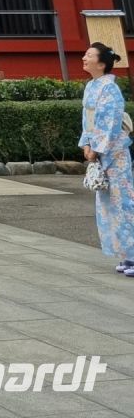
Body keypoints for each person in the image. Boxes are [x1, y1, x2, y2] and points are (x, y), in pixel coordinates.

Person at [79, 41, 134, 276]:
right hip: (100, 150)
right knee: (108, 204)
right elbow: (88, 120)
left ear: (101, 64)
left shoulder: (110, 89)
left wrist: (97, 148)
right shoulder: (92, 85)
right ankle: (125, 254)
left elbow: (110, 121)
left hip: (115, 152)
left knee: (123, 201)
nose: (84, 57)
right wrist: (87, 143)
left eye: (89, 55)